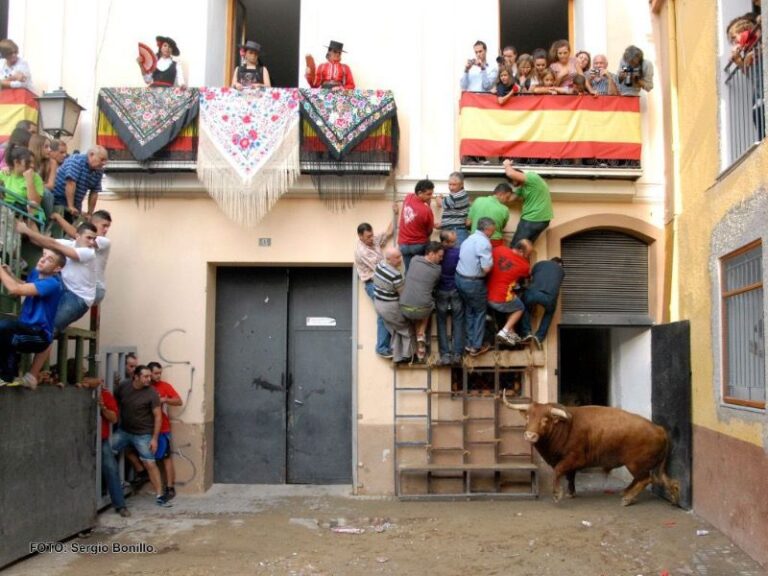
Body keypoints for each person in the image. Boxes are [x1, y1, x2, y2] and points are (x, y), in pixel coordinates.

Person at [14, 220, 98, 388]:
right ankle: (15, 369)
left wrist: (26, 230)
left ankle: (32, 375)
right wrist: (31, 219)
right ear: (77, 236)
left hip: (78, 298)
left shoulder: (89, 253)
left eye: (94, 239)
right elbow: (42, 241)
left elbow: (50, 243)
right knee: (30, 321)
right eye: (89, 238)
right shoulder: (66, 244)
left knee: (49, 329)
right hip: (64, 288)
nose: (92, 242)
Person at [0, 249, 64, 387]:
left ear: (57, 268)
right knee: (6, 331)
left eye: (49, 260)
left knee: (5, 330)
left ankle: (7, 376)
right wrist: (9, 274)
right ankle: (7, 374)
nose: (42, 259)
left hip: (39, 336)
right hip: (26, 329)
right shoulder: (36, 273)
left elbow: (15, 290)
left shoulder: (53, 283)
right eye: (43, 256)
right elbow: (25, 286)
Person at [112, 365, 173, 507]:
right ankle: (112, 486)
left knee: (150, 463)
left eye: (149, 376)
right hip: (124, 430)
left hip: (143, 434)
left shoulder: (151, 392)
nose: (149, 379)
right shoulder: (124, 386)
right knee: (106, 451)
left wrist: (154, 439)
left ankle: (160, 495)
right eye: (146, 376)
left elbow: (158, 416)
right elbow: (116, 401)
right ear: (136, 377)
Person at [354, 203, 399, 358]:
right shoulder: (362, 251)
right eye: (368, 237)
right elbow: (380, 269)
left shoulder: (372, 241)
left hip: (382, 282)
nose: (371, 238)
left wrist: (395, 214)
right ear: (360, 236)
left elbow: (388, 232)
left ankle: (389, 346)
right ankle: (382, 348)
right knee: (384, 313)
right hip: (373, 284)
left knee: (390, 312)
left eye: (372, 235)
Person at [50, 209, 112, 304]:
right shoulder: (78, 242)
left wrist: (58, 217)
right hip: (83, 286)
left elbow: (75, 233)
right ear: (93, 224)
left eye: (108, 226)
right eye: (104, 226)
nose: (106, 230)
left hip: (96, 288)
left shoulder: (104, 241)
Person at [456, 217, 495, 357]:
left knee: (469, 311)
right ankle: (476, 347)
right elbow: (486, 269)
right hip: (473, 282)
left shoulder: (469, 238)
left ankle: (469, 343)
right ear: (488, 229)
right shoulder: (484, 243)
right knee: (479, 312)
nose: (493, 232)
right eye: (493, 230)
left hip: (460, 279)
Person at [399, 241, 444, 361]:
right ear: (431, 254)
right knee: (428, 304)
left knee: (415, 306)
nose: (441, 259)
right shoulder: (437, 270)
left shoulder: (414, 260)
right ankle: (421, 334)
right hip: (423, 310)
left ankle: (419, 342)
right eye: (439, 256)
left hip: (404, 307)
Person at [147, 362, 182, 501]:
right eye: (156, 373)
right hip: (146, 428)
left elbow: (179, 401)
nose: (158, 376)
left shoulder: (164, 386)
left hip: (163, 428)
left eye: (159, 373)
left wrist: (164, 399)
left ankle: (170, 487)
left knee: (165, 458)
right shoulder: (145, 386)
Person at [487, 240, 531, 347]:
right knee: (519, 307)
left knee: (513, 302)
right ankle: (505, 331)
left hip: (487, 294)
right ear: (520, 251)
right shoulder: (524, 265)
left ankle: (511, 333)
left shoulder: (499, 249)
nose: (526, 257)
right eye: (527, 255)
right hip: (501, 297)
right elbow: (527, 275)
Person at [373, 247, 412, 364]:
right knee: (406, 328)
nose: (400, 259)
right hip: (389, 307)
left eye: (400, 256)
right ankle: (407, 355)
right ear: (389, 259)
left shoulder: (380, 265)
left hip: (378, 303)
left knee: (395, 328)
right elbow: (403, 295)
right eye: (397, 258)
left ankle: (397, 355)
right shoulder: (395, 274)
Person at [98, 382, 131, 517]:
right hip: (82, 439)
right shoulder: (81, 390)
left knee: (111, 469)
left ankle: (120, 505)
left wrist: (102, 407)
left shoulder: (105, 394)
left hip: (101, 440)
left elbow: (113, 418)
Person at [503, 159, 553, 245]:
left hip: (532, 219)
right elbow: (509, 199)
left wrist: (507, 165)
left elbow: (510, 173)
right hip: (541, 220)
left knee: (516, 247)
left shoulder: (531, 177)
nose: (512, 183)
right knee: (525, 248)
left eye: (511, 180)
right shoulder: (522, 188)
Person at [51, 146, 108, 222]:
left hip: (76, 204)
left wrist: (90, 213)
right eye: (102, 159)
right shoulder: (76, 161)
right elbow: (70, 183)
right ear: (91, 155)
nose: (104, 163)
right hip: (58, 199)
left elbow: (94, 192)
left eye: (105, 161)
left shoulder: (98, 170)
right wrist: (70, 206)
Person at [520, 257, 566, 348]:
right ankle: (539, 337)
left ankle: (526, 332)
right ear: (560, 265)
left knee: (524, 305)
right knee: (549, 313)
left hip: (533, 293)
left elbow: (529, 276)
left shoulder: (539, 264)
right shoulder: (562, 272)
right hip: (549, 298)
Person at [435, 230, 464, 366]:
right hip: (455, 289)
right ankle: (457, 354)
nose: (455, 243)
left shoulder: (436, 253)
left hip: (440, 290)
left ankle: (445, 355)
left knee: (441, 322)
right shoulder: (458, 253)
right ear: (445, 241)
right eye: (452, 241)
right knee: (458, 320)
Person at [397, 179, 435, 272]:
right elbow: (429, 231)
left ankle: (408, 286)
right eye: (428, 194)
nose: (431, 197)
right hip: (418, 245)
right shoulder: (426, 210)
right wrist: (428, 206)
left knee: (408, 271)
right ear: (420, 193)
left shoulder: (408, 197)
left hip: (403, 245)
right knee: (419, 272)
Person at [0, 147, 44, 222]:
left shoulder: (36, 178)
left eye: (33, 162)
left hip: (29, 217)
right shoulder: (4, 174)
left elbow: (35, 204)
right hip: (5, 213)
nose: (32, 165)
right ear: (16, 162)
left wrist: (29, 181)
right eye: (28, 162)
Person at [468, 183, 512, 247]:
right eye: (507, 197)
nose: (507, 200)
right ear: (501, 194)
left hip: (475, 240)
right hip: (494, 242)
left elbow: (468, 222)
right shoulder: (505, 209)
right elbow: (501, 227)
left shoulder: (478, 200)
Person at [435, 172, 470, 245]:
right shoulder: (455, 195)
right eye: (449, 184)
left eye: (454, 184)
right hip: (453, 230)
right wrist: (443, 224)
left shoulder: (458, 196)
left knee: (456, 255)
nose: (451, 187)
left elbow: (440, 203)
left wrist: (438, 198)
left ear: (462, 184)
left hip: (456, 232)